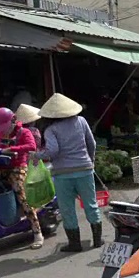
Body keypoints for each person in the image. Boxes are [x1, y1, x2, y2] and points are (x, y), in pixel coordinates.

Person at [33, 94, 101, 252]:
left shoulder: (51, 129)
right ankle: (97, 240)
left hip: (63, 174)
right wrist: (90, 161)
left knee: (67, 208)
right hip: (84, 169)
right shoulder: (81, 121)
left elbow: (53, 151)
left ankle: (75, 244)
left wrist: (36, 155)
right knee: (91, 204)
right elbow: (92, 143)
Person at [0, 107, 42, 249]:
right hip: (1, 167)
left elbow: (31, 146)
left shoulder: (24, 132)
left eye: (4, 126)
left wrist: (11, 149)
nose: (2, 130)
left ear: (13, 120)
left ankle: (37, 231)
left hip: (18, 167)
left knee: (20, 193)